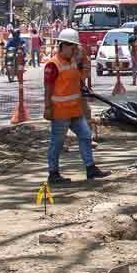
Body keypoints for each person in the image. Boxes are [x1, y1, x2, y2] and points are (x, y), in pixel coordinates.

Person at [44, 27, 103, 185]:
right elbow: (48, 87)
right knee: (57, 143)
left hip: (75, 111)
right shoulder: (52, 64)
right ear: (63, 45)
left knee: (85, 136)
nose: (75, 50)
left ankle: (90, 168)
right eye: (73, 47)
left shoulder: (71, 63)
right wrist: (48, 107)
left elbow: (78, 79)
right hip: (60, 112)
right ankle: (53, 173)